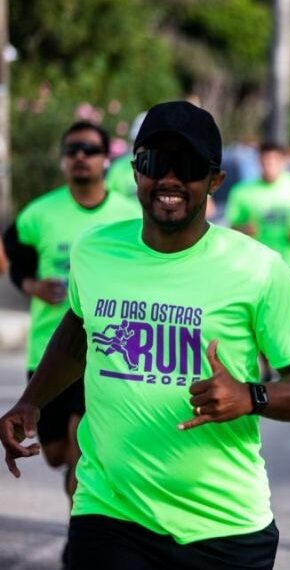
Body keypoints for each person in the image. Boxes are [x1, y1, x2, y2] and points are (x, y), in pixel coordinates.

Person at [0, 101, 290, 570]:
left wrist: (250, 395)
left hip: (223, 527)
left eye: (191, 166)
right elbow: (79, 329)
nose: (171, 178)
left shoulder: (257, 269)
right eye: (157, 162)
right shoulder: (95, 250)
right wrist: (30, 401)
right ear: (136, 171)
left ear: (215, 181)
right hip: (109, 513)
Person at [1, 121, 140, 516]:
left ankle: (81, 526)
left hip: (105, 351)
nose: (80, 156)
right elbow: (14, 254)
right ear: (63, 160)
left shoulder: (129, 216)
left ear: (105, 160)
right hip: (48, 351)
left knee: (83, 441)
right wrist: (31, 285)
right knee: (58, 452)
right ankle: (75, 483)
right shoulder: (40, 213)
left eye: (90, 150)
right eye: (72, 149)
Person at [225, 142, 290, 281]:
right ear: (259, 162)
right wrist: (245, 229)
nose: (269, 166)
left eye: (274, 161)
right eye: (265, 162)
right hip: (255, 264)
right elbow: (233, 225)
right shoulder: (242, 191)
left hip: (289, 264)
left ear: (283, 161)